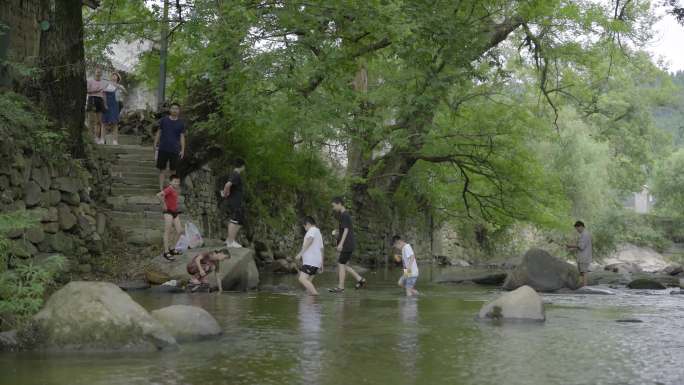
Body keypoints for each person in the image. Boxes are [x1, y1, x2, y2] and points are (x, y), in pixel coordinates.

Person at [328, 197, 366, 293]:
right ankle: (360, 279)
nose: (333, 208)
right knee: (343, 264)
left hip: (347, 244)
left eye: (334, 206)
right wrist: (337, 233)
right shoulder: (343, 215)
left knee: (341, 264)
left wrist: (341, 244)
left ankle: (341, 287)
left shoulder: (345, 215)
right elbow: (344, 230)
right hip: (348, 244)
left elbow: (346, 230)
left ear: (339, 203)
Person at [153, 102, 186, 190]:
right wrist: (155, 143)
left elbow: (182, 137)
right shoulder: (164, 120)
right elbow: (159, 132)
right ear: (170, 110)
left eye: (176, 109)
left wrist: (182, 150)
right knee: (162, 169)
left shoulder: (181, 123)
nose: (174, 110)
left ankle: (170, 189)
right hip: (163, 148)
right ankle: (161, 189)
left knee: (173, 171)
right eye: (173, 108)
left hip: (175, 150)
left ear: (179, 111)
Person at [156, 174, 183, 261]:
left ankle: (172, 249)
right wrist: (163, 204)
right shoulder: (169, 188)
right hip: (168, 212)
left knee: (179, 231)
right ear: (171, 182)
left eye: (178, 182)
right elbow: (159, 195)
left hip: (175, 212)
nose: (177, 183)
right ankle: (166, 252)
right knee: (167, 231)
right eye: (175, 181)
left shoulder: (175, 190)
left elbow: (173, 200)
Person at [295, 216, 324, 296]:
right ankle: (311, 307)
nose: (304, 228)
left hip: (310, 262)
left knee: (302, 279)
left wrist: (300, 253)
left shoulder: (312, 230)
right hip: (316, 262)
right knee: (308, 286)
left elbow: (310, 240)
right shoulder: (318, 232)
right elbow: (321, 249)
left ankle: (316, 295)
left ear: (308, 224)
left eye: (304, 226)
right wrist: (322, 264)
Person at [221, 158, 246, 248]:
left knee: (240, 221)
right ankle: (230, 242)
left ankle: (229, 239)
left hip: (237, 201)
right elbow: (228, 184)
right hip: (234, 201)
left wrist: (226, 193)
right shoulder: (236, 174)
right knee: (234, 220)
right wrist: (225, 193)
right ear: (242, 166)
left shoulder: (234, 174)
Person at [566, 220, 592, 287]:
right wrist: (572, 249)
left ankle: (585, 286)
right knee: (581, 272)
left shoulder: (585, 234)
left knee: (584, 272)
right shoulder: (583, 234)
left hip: (584, 257)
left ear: (581, 226)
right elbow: (581, 247)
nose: (577, 230)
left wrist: (571, 245)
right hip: (582, 257)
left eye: (577, 228)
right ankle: (581, 285)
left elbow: (581, 246)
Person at [102, 73, 125, 145]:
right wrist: (105, 104)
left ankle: (115, 140)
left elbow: (126, 93)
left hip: (115, 105)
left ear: (118, 78)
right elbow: (103, 94)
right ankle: (102, 139)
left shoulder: (120, 86)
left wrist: (120, 87)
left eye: (115, 76)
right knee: (104, 122)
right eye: (112, 76)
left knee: (115, 123)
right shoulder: (107, 84)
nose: (114, 77)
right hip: (107, 104)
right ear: (111, 77)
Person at [86, 68, 107, 144]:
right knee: (91, 120)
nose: (98, 73)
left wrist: (105, 104)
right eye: (97, 71)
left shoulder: (103, 82)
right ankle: (90, 138)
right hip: (92, 99)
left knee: (99, 121)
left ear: (101, 74)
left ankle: (97, 138)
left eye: (100, 72)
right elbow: (87, 91)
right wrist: (96, 91)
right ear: (94, 72)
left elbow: (104, 94)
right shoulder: (90, 80)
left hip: (100, 100)